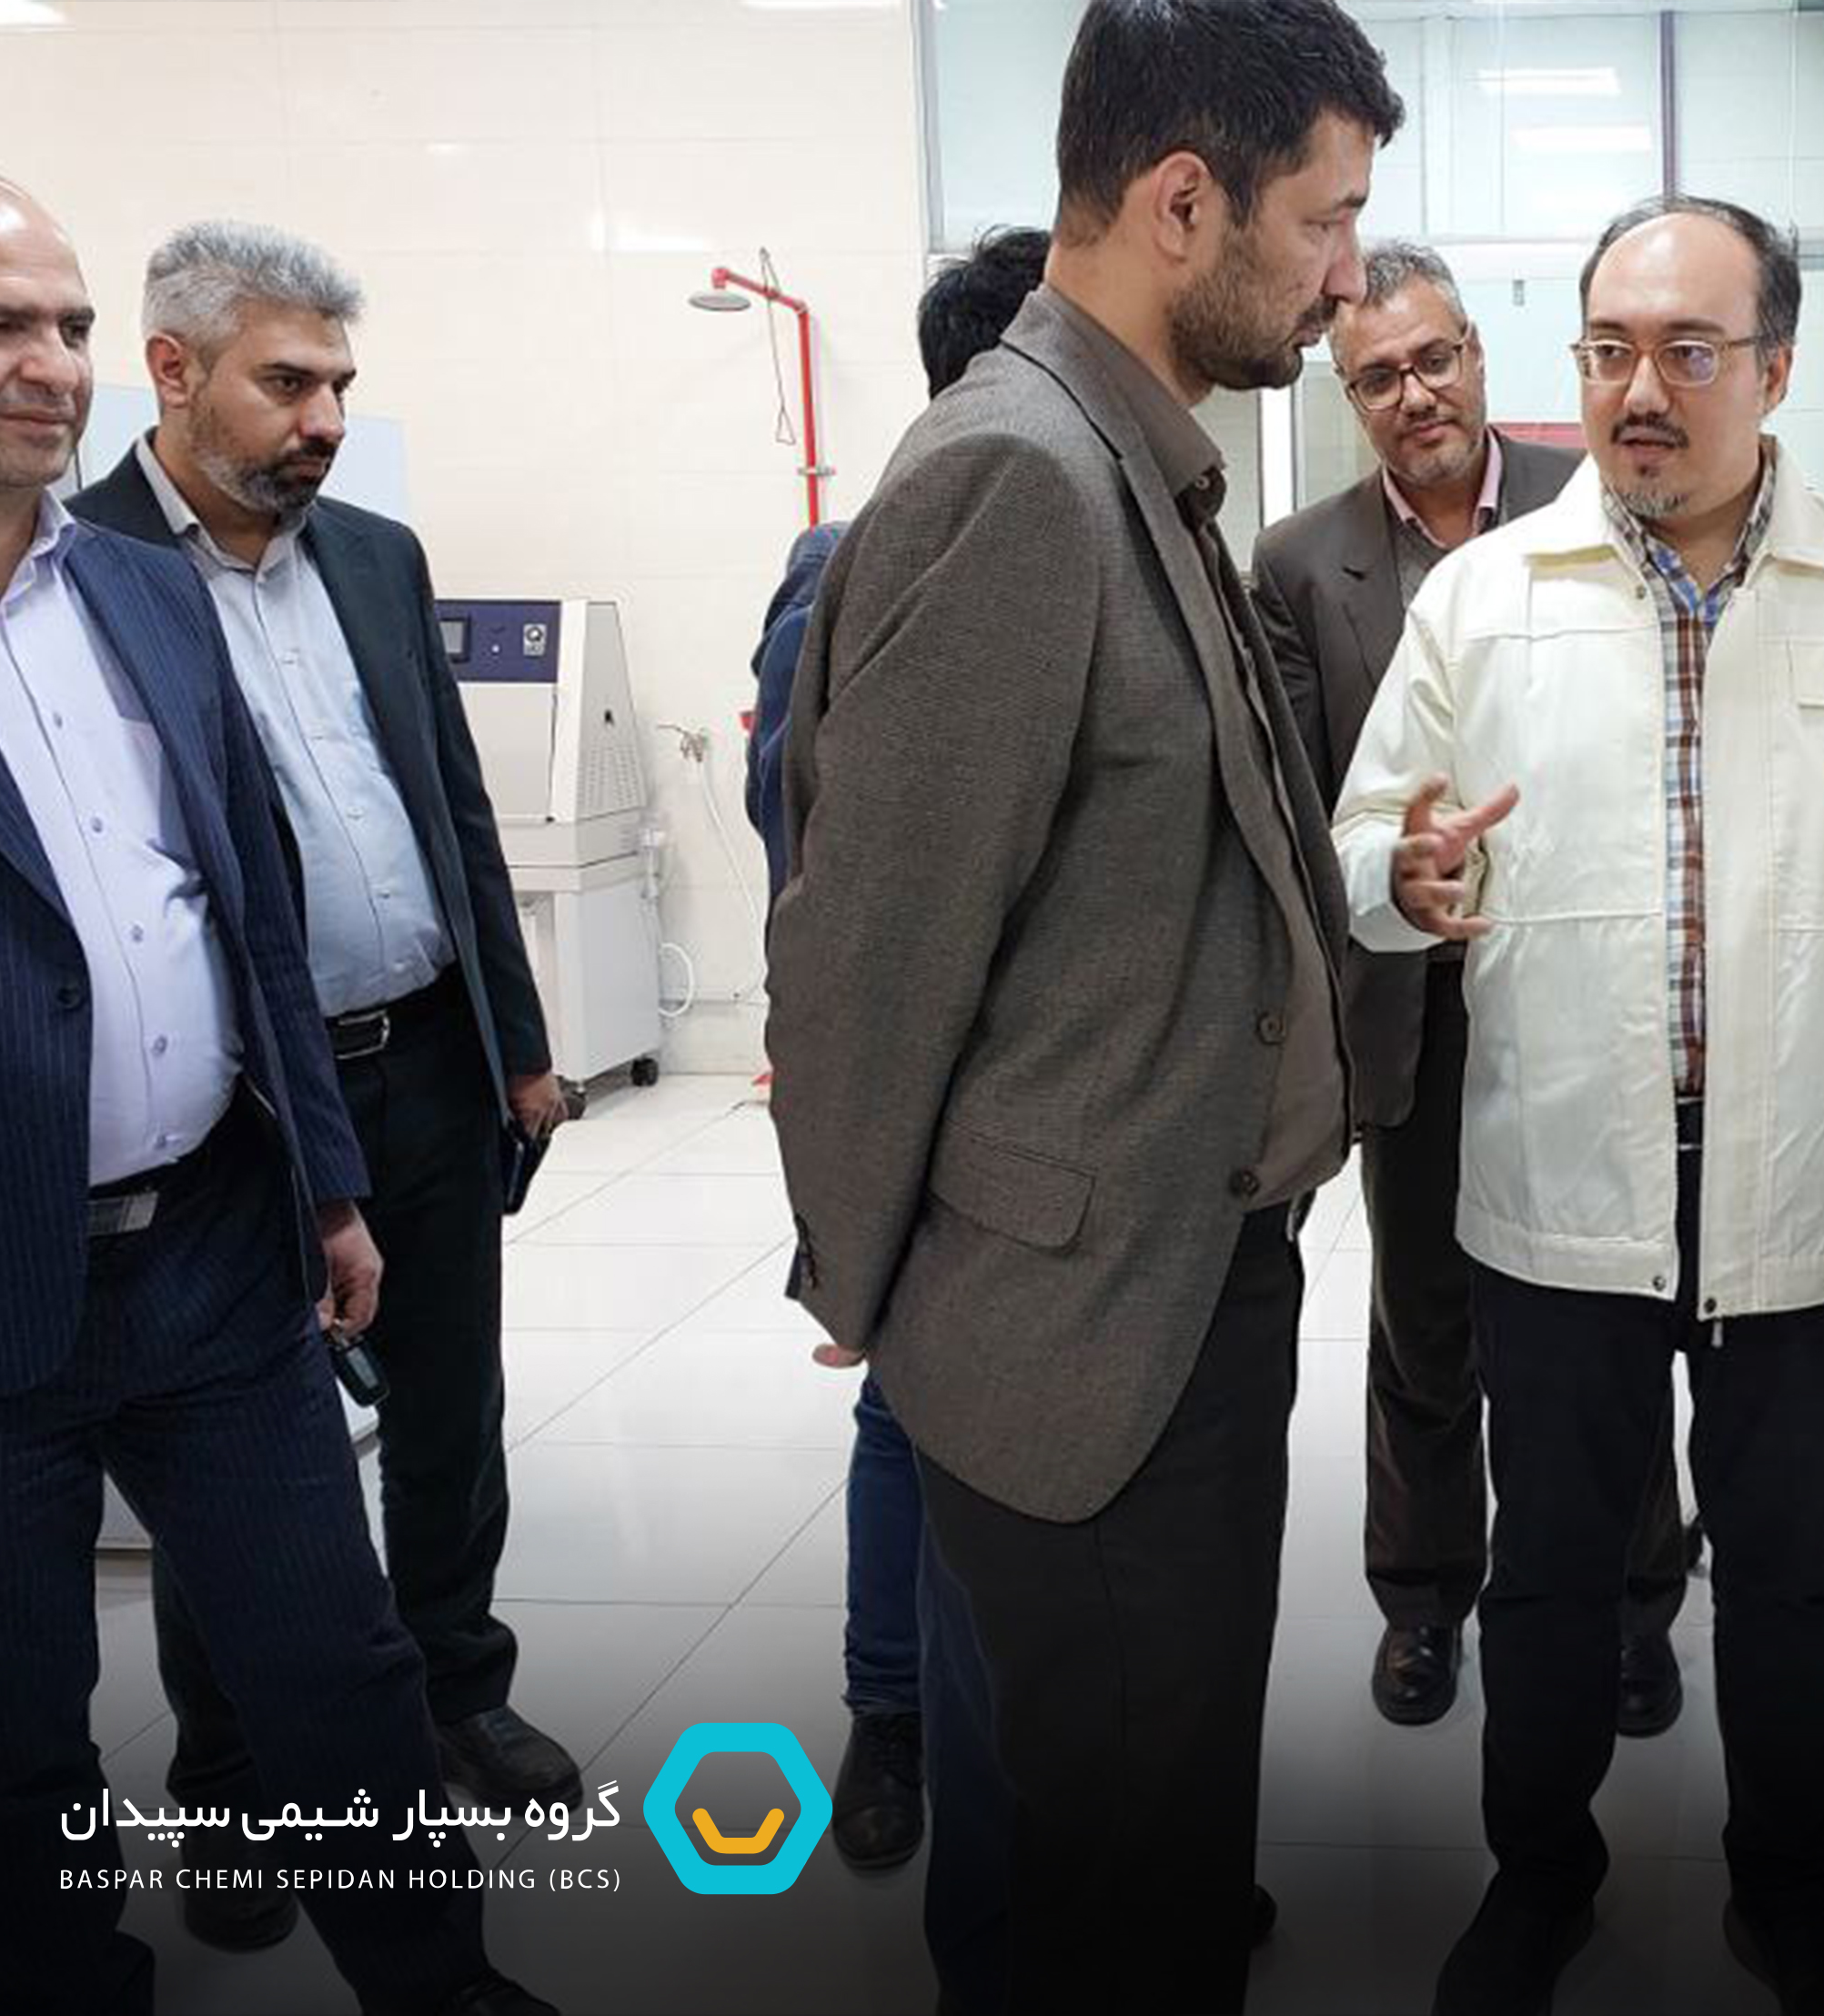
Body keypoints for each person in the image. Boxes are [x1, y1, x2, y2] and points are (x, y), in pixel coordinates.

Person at [1328, 195, 1824, 2016]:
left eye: (1687, 351)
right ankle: (1539, 1878)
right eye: (1608, 350)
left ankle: (1784, 1893)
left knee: (1792, 1578)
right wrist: (1400, 878)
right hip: (1561, 1175)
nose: (1638, 390)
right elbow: (1366, 833)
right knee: (1552, 1574)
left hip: (1799, 1178)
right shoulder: (1488, 598)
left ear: (1777, 369)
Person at [763, 5, 1399, 2011]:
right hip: (1090, 1332)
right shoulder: (1019, 477)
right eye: (1326, 221)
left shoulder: (1140, 459)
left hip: (1182, 1272)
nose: (1347, 278)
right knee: (1112, 1889)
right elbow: (867, 959)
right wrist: (869, 1279)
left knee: (1161, 1834)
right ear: (1182, 201)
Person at [0, 155, 551, 2016]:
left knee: (343, 1658)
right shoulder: (144, 557)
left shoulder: (132, 595)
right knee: (8, 1735)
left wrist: (339, 1176)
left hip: (232, 1216)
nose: (50, 363)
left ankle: (440, 1972)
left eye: (64, 324)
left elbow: (253, 909)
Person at [1251, 240, 1690, 1737]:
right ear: (1347, 393)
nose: (1413, 394)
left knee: (1608, 1315)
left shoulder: (1608, 500)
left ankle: (1635, 1602)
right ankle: (1425, 1600)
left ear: (1480, 357)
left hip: (1588, 995)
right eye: (1376, 376)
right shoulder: (1299, 566)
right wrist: (1396, 872)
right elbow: (1303, 813)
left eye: (1433, 359)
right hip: (1412, 1009)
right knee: (1425, 1329)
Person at [742, 225, 1050, 1888]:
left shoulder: (1110, 529)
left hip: (1055, 1102)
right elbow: (809, 844)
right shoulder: (863, 555)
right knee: (906, 1414)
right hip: (918, 1083)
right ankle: (892, 1715)